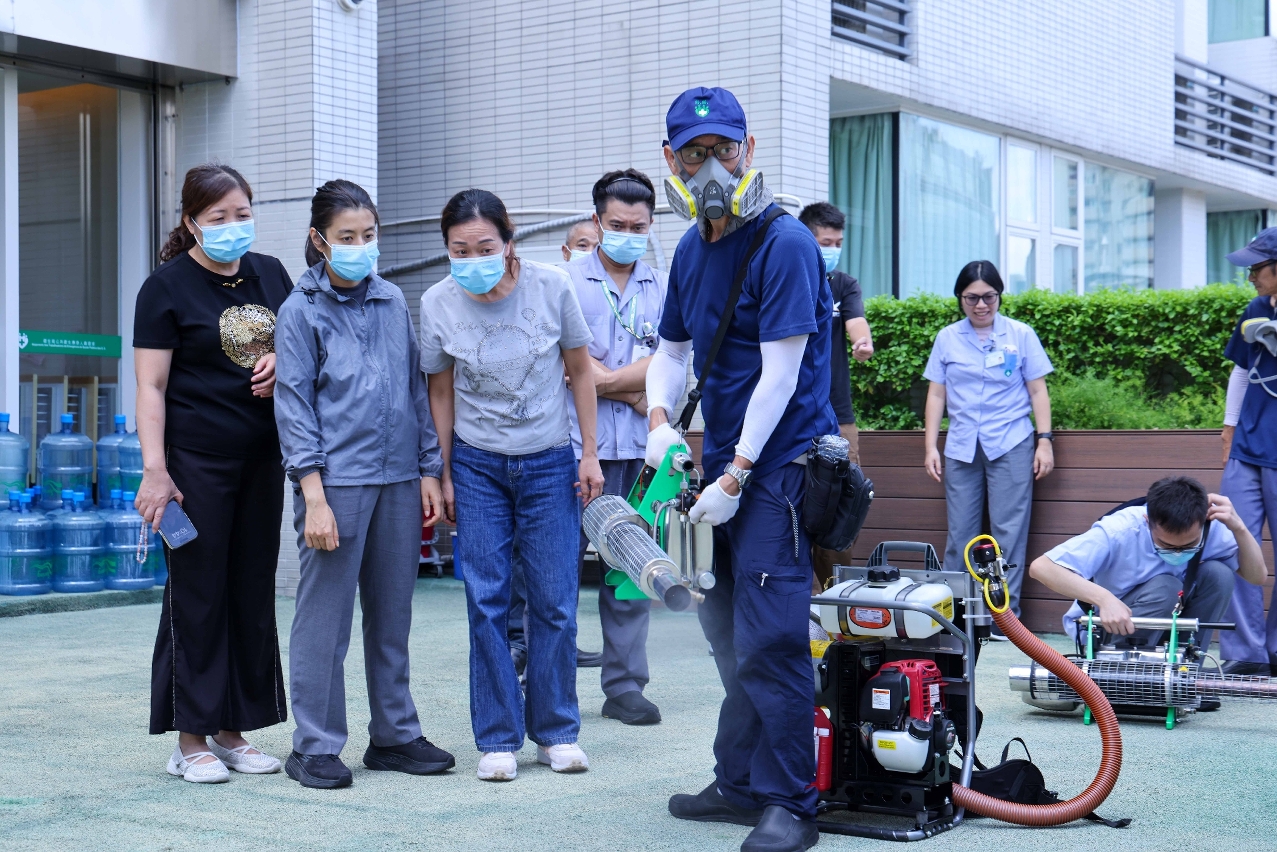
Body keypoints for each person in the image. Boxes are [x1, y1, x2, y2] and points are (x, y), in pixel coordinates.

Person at [647, 86, 835, 852]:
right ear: (671, 161)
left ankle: (791, 802)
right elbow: (671, 352)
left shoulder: (784, 243)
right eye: (694, 154)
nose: (711, 168)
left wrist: (735, 475)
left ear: (748, 150)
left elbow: (781, 375)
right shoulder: (691, 249)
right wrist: (660, 423)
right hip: (722, 468)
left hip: (778, 469)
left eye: (723, 150)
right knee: (724, 634)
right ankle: (738, 782)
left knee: (771, 639)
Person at [273, 180, 455, 789]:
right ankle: (315, 745)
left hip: (399, 479)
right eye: (346, 237)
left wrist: (428, 469)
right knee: (324, 621)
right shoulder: (300, 310)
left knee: (392, 615)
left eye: (368, 235)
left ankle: (394, 735)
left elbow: (414, 390)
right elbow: (294, 407)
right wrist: (313, 496)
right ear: (319, 240)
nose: (360, 247)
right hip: (336, 483)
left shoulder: (391, 300)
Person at [420, 188, 604, 783]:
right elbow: (440, 390)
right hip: (477, 467)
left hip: (550, 461)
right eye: (459, 249)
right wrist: (443, 471)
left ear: (508, 240)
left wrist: (589, 453)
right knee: (486, 600)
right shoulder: (437, 302)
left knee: (555, 601)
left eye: (484, 247)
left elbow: (580, 371)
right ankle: (498, 737)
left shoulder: (552, 286)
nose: (472, 258)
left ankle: (556, 731)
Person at [134, 164, 290, 783]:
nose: (233, 226)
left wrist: (283, 360)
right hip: (194, 463)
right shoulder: (165, 288)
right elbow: (150, 387)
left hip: (263, 458)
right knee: (198, 592)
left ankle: (233, 731)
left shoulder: (271, 273)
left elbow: (304, 344)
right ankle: (190, 739)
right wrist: (155, 470)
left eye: (242, 214)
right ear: (192, 222)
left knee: (251, 590)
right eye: (219, 217)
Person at [563, 168, 667, 725]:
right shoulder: (565, 282)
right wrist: (628, 387)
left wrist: (599, 381)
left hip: (638, 450)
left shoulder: (662, 285)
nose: (628, 234)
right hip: (573, 447)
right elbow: (562, 362)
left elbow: (671, 362)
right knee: (556, 569)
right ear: (597, 221)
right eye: (617, 225)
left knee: (630, 567)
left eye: (639, 226)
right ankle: (550, 686)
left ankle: (625, 686)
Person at [923, 261, 1054, 627]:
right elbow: (936, 394)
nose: (981, 305)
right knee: (960, 535)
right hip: (962, 445)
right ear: (960, 298)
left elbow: (1038, 391)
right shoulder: (947, 337)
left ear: (999, 296)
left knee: (1008, 532)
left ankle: (1004, 621)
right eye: (971, 298)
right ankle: (954, 616)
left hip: (1011, 440)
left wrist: (1044, 441)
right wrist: (930, 446)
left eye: (989, 297)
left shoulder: (1021, 334)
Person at [1029, 476, 1265, 657]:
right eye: (1166, 544)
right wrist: (1104, 599)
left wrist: (1239, 527)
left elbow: (1257, 576)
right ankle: (1122, 673)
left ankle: (1184, 671)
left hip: (1168, 623)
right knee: (1167, 586)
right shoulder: (1120, 529)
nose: (1178, 553)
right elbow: (1042, 567)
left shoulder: (1210, 525)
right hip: (1110, 629)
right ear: (1147, 520)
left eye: (1189, 545)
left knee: (1219, 575)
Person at [798, 201, 873, 593]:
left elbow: (857, 322)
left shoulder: (842, 285)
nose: (833, 249)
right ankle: (797, 600)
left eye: (838, 243)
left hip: (837, 418)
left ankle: (835, 598)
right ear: (805, 239)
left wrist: (862, 343)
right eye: (825, 242)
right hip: (789, 415)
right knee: (789, 507)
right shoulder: (788, 278)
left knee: (840, 510)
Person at [1218, 228, 1277, 675]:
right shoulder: (1255, 308)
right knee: (1233, 540)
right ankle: (1245, 652)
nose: (1251, 276)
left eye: (1257, 268)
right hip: (1247, 448)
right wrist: (1228, 430)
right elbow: (1241, 372)